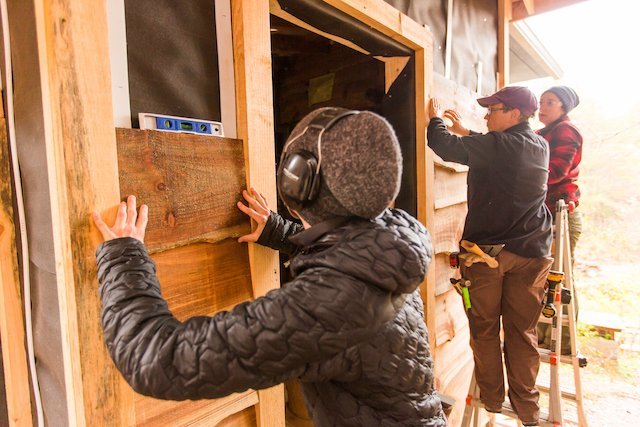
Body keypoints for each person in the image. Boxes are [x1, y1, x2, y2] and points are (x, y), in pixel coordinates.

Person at [93, 107, 446, 426]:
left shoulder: (328, 308)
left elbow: (156, 360)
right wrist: (280, 232)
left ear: (297, 183)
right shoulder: (390, 246)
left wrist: (124, 256)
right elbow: (347, 251)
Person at [426, 86, 553, 426]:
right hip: (533, 253)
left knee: (484, 329)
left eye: (493, 109)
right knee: (522, 331)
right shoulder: (538, 144)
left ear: (514, 114)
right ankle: (527, 409)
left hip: (488, 256)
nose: (486, 115)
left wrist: (435, 119)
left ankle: (493, 400)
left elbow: (443, 146)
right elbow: (495, 151)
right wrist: (468, 132)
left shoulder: (499, 146)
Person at [536, 85, 584, 355]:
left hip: (563, 213)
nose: (542, 107)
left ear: (564, 107)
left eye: (550, 102)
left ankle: (563, 342)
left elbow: (555, 171)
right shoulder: (543, 133)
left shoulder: (566, 131)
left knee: (561, 277)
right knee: (547, 275)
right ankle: (545, 336)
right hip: (549, 212)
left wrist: (518, 178)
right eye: (541, 102)